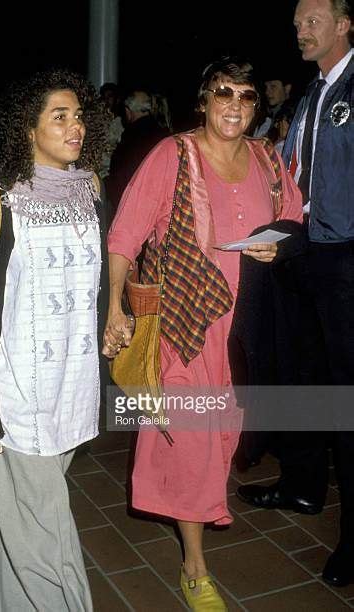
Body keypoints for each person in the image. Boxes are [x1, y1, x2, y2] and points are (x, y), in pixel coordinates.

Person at [104, 57, 302, 611]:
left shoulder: (267, 157)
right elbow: (125, 233)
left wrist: (280, 242)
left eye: (244, 95)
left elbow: (294, 219)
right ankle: (194, 566)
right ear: (203, 101)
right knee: (192, 441)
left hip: (250, 326)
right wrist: (115, 308)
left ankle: (198, 516)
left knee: (224, 438)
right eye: (222, 93)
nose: (234, 104)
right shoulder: (174, 154)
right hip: (187, 328)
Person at [0, 69, 111, 611]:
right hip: (15, 395)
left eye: (79, 115)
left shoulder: (91, 190)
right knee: (45, 533)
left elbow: (96, 284)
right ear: (27, 130)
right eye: (59, 116)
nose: (75, 126)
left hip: (71, 390)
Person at [237, 0, 354, 588]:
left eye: (313, 20)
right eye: (297, 23)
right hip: (306, 251)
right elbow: (290, 171)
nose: (301, 30)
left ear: (345, 22)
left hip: (345, 257)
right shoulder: (312, 96)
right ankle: (303, 484)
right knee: (301, 375)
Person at [105, 89, 169, 218]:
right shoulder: (163, 133)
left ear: (128, 111)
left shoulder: (131, 136)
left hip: (135, 208)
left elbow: (120, 175)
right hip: (160, 206)